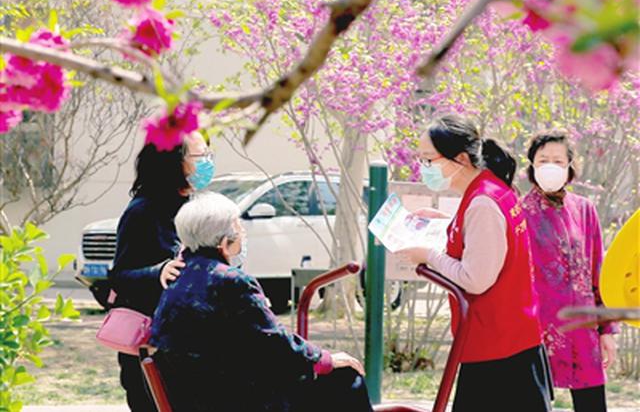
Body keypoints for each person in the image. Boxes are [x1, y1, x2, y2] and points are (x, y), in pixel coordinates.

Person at [149, 192, 373, 412]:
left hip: (197, 395)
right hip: (235, 399)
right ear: (224, 242)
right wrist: (324, 359)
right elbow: (275, 342)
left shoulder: (177, 275)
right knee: (346, 377)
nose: (243, 233)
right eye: (238, 227)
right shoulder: (231, 281)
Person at [399, 115, 552, 412]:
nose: (424, 168)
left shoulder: (483, 203)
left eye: (429, 160)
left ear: (460, 159)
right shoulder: (487, 192)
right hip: (504, 341)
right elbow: (485, 242)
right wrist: (445, 222)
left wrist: (427, 255)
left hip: (499, 351)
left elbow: (476, 278)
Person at [109, 132, 215, 412]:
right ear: (173, 161)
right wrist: (159, 272)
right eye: (199, 156)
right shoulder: (143, 211)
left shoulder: (197, 207)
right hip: (151, 344)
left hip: (190, 343)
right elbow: (120, 276)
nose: (207, 163)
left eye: (208, 155)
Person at [521, 132, 618, 412]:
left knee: (592, 405)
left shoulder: (584, 210)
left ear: (569, 166)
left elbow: (598, 274)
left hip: (583, 327)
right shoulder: (520, 213)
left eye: (557, 160)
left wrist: (606, 330)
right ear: (532, 166)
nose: (550, 166)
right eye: (543, 160)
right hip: (538, 329)